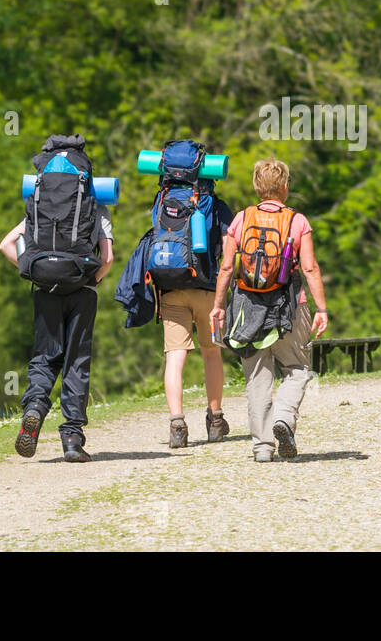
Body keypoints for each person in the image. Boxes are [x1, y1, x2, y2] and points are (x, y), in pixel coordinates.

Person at [0, 137, 115, 462]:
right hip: (82, 290)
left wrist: (32, 270)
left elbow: (6, 244)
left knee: (44, 357)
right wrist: (90, 280)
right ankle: (72, 439)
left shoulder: (40, 202)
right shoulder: (94, 204)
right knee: (76, 361)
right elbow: (107, 258)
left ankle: (35, 406)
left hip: (45, 288)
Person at [209, 158, 329, 462]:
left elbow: (226, 267)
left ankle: (263, 447)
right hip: (289, 306)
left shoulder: (241, 219)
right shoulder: (297, 221)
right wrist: (322, 308)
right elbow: (310, 268)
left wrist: (218, 306)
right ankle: (284, 418)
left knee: (257, 377)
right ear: (285, 188)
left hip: (247, 308)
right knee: (298, 369)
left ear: (256, 187)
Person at [139, 141, 235, 450]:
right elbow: (229, 248)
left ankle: (177, 424)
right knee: (211, 352)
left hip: (170, 288)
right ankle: (216, 419)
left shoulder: (161, 199)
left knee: (175, 357)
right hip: (207, 290)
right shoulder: (215, 205)